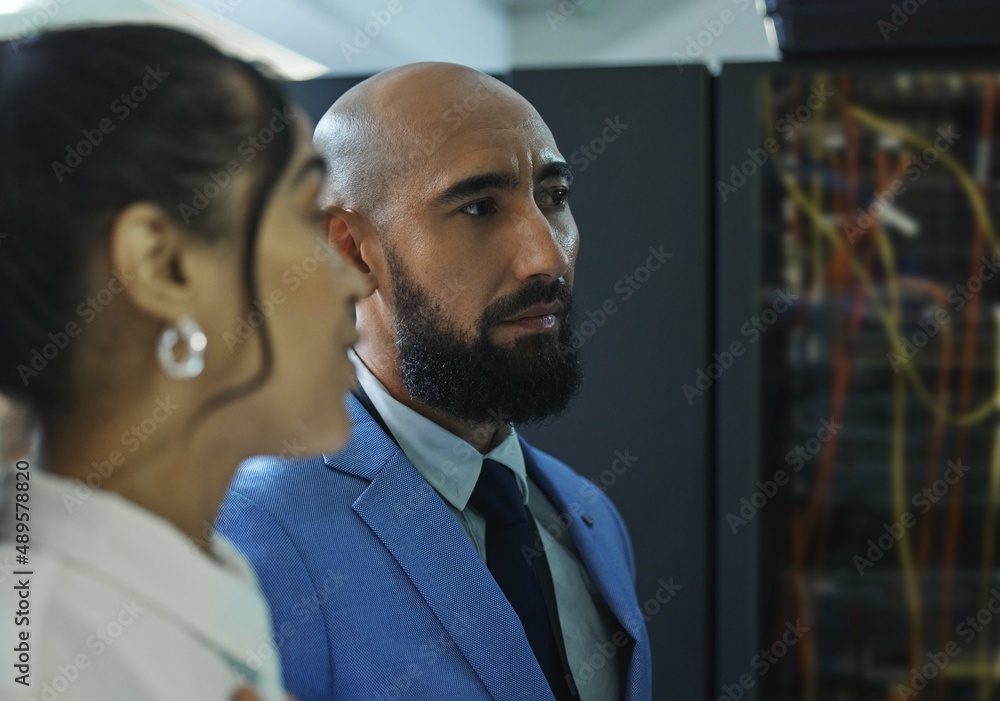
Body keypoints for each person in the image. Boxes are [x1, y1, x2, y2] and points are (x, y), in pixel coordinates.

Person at [220, 62, 653, 701]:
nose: (548, 257)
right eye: (478, 207)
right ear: (350, 250)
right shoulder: (259, 531)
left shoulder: (589, 515)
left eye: (554, 197)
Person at [0, 24, 368, 700]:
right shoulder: (39, 655)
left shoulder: (204, 573)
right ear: (163, 266)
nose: (354, 282)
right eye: (308, 216)